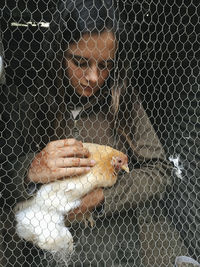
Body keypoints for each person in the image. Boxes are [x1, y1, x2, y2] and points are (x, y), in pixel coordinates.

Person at [1, 0, 189, 266]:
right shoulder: (31, 102)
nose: (93, 77)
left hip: (114, 250)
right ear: (58, 52)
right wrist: (30, 169)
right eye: (80, 62)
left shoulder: (123, 101)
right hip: (48, 249)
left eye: (105, 65)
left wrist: (103, 199)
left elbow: (160, 169)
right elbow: (4, 176)